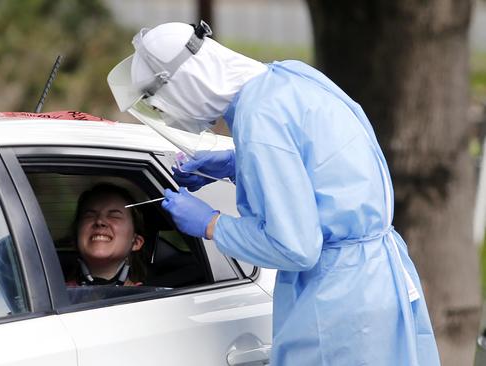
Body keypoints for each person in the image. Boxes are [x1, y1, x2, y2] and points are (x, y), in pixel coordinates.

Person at [107, 21, 440, 365]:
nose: (166, 112)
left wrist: (212, 224)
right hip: (376, 278)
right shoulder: (289, 76)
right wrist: (239, 165)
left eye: (159, 102)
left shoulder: (259, 117)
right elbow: (323, 167)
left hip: (340, 303)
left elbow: (296, 248)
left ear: (185, 83)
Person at [65, 183, 147, 286]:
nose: (99, 221)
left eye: (114, 216)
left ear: (136, 242)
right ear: (76, 237)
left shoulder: (156, 301)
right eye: (89, 215)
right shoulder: (50, 296)